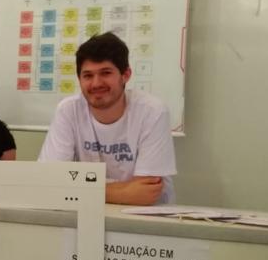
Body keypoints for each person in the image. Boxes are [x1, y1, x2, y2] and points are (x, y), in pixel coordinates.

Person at [38, 32, 176, 205]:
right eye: (88, 75)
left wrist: (74, 190)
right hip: (87, 216)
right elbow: (49, 182)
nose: (96, 83)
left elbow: (145, 194)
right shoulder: (68, 110)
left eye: (105, 73)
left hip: (144, 223)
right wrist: (123, 192)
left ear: (125, 75)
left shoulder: (153, 112)